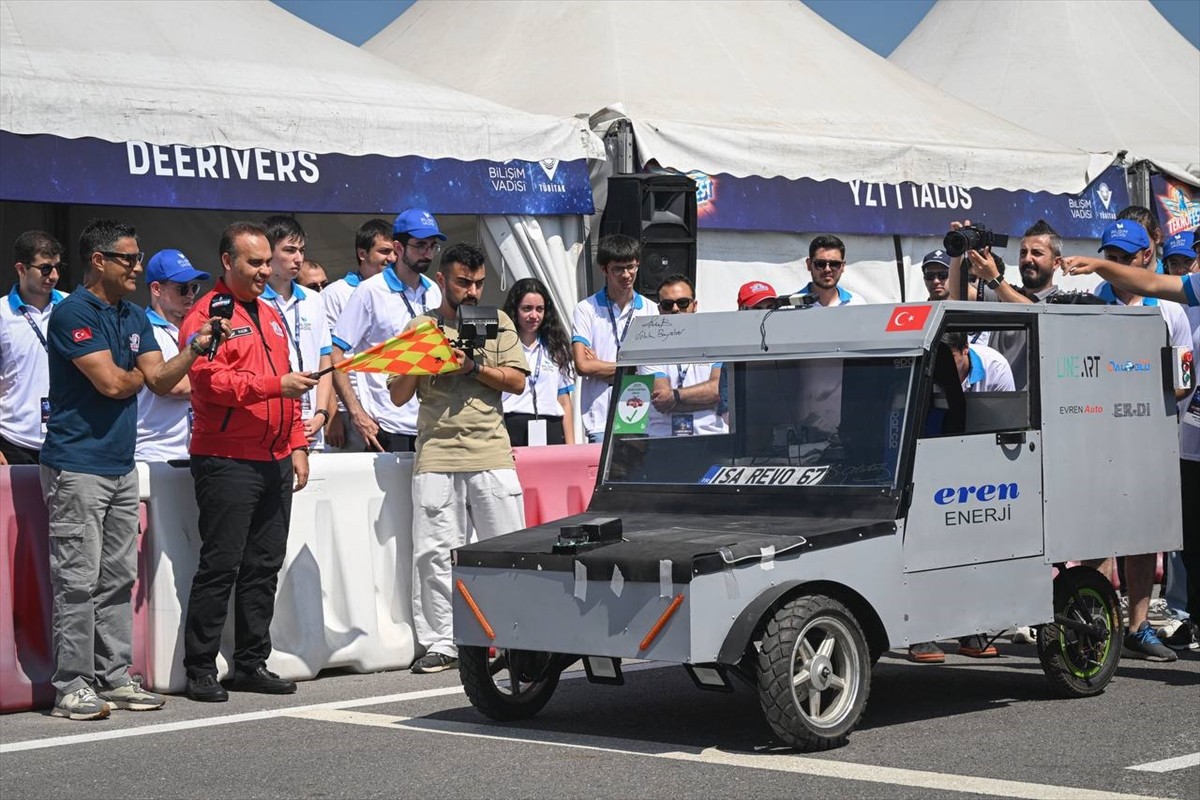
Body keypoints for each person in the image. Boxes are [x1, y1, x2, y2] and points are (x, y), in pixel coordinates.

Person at [40, 218, 226, 720]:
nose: (138, 268)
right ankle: (72, 685)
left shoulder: (133, 315)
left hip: (121, 464)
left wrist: (193, 348)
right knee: (77, 580)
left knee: (118, 576)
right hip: (76, 466)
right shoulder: (71, 314)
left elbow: (159, 381)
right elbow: (114, 385)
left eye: (139, 258)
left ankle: (114, 676)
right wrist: (137, 371)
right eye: (129, 259)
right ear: (98, 261)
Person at [179, 221, 318, 702]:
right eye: (254, 262)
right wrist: (272, 389)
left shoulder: (271, 313)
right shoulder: (206, 313)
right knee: (221, 565)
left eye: (266, 262)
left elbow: (289, 380)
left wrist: (297, 441)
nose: (265, 270)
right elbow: (207, 382)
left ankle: (250, 663)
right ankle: (199, 668)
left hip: (275, 455)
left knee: (263, 564)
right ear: (227, 262)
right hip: (226, 458)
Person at [388, 243, 528, 673]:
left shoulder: (497, 320)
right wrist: (422, 357)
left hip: (490, 449)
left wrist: (472, 367)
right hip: (436, 452)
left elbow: (517, 382)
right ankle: (442, 643)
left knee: (506, 550)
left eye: (479, 283)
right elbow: (397, 396)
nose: (471, 291)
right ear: (443, 281)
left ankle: (514, 638)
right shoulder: (420, 325)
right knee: (434, 553)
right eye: (463, 283)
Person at [1064, 223, 1198, 657]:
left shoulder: (1170, 311)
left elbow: (1183, 383)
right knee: (1094, 533)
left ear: (1144, 255)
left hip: (1150, 438)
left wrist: (1134, 392)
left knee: (1142, 534)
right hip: (1097, 436)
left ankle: (1140, 627)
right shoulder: (1086, 303)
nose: (1116, 263)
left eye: (1124, 256)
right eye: (1110, 255)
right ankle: (1097, 623)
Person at [332, 210, 444, 453]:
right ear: (398, 247)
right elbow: (337, 353)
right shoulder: (370, 291)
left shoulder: (434, 291)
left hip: (431, 424)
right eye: (420, 245)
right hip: (386, 424)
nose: (427, 253)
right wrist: (357, 413)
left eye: (433, 246)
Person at [572, 234, 657, 443]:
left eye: (631, 267)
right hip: (599, 418)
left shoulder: (651, 309)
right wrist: (632, 368)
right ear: (604, 269)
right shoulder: (586, 309)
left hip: (641, 415)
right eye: (618, 269)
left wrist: (601, 367)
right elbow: (582, 366)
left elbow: (652, 369)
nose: (626, 275)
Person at [261, 216, 334, 451]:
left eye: (301, 250)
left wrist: (321, 413)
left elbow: (325, 358)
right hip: (272, 428)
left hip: (312, 426)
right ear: (268, 253)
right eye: (290, 250)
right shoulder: (255, 301)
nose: (298, 258)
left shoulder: (313, 299)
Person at [322, 219, 395, 451]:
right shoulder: (336, 293)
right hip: (350, 409)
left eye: (394, 251)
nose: (391, 258)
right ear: (362, 253)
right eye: (384, 251)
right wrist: (334, 414)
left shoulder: (402, 291)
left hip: (392, 405)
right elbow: (327, 356)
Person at [135, 249, 210, 462]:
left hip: (193, 448)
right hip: (154, 451)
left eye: (194, 287)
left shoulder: (195, 328)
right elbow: (172, 386)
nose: (190, 295)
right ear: (156, 289)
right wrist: (221, 382)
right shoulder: (144, 328)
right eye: (182, 288)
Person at [1, 231, 65, 465]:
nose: (54, 276)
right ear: (21, 269)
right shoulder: (2, 314)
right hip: (13, 441)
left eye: (58, 267)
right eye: (46, 269)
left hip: (66, 440)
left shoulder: (72, 307)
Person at [640, 274, 725, 437]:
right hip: (663, 438)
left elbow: (717, 391)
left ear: (695, 305)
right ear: (659, 310)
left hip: (710, 436)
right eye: (667, 304)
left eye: (683, 303)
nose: (675, 309)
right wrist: (703, 398)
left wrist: (674, 397)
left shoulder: (716, 342)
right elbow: (661, 400)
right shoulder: (648, 347)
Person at [501, 277, 575, 446]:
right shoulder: (501, 346)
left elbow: (564, 401)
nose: (534, 315)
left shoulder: (556, 348)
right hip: (511, 427)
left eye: (539, 309)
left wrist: (571, 445)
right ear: (515, 310)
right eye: (527, 309)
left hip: (550, 427)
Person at [793, 235, 864, 306]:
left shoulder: (857, 303)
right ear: (809, 265)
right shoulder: (791, 306)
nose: (827, 269)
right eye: (820, 264)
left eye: (834, 264)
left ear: (842, 266)